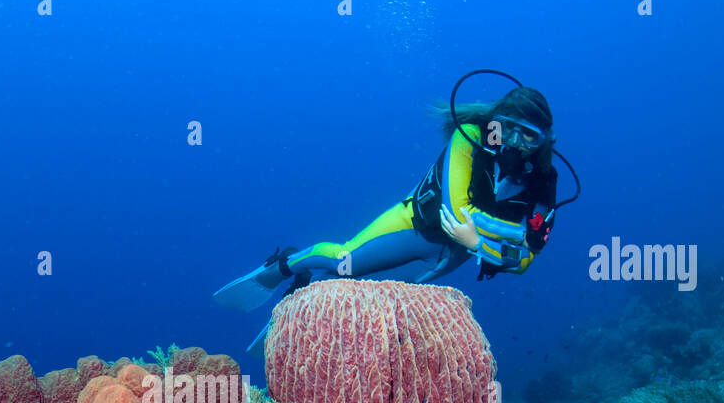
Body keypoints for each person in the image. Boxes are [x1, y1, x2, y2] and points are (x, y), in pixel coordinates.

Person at [215, 83, 561, 350]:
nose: (515, 142)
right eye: (509, 128)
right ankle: (285, 265)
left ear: (545, 140)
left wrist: (477, 243)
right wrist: (505, 239)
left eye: (529, 134)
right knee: (346, 260)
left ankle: (305, 293)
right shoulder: (470, 134)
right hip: (415, 223)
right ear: (496, 122)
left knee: (375, 294)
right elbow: (457, 212)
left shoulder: (544, 184)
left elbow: (525, 260)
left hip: (453, 253)